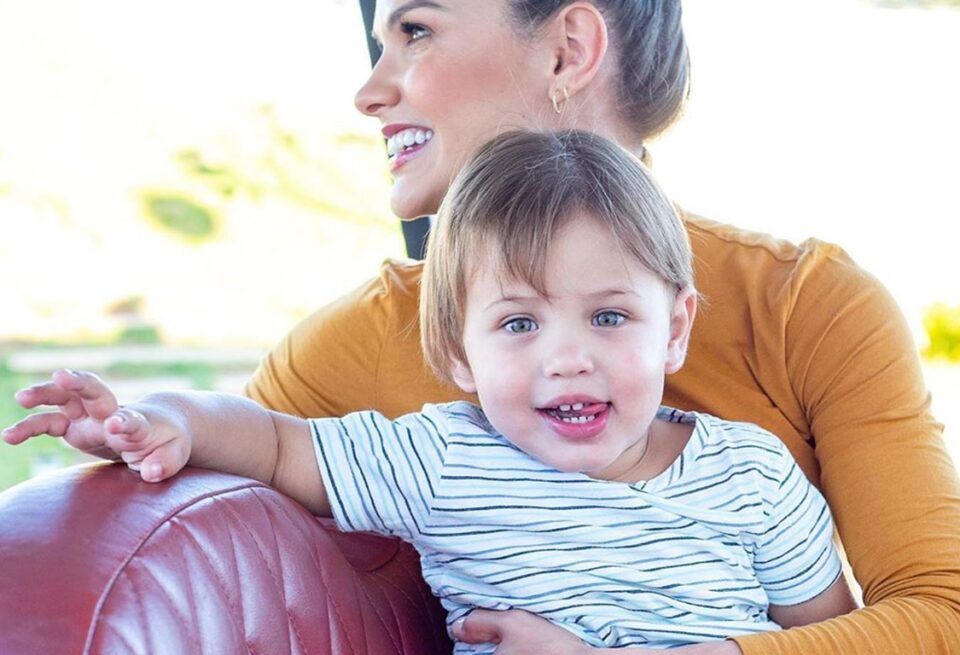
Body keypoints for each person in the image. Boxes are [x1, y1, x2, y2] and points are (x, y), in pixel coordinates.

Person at [241, 1, 960, 654]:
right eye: (516, 324)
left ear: (568, 50)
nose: (369, 93)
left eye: (416, 31)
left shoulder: (805, 306)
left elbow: (957, 624)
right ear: (455, 351)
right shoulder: (340, 355)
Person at [4, 130, 859, 653]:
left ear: (674, 328)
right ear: (457, 349)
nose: (568, 359)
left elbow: (836, 638)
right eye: (520, 324)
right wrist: (161, 419)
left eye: (608, 317)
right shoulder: (444, 458)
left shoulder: (752, 475)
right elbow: (271, 441)